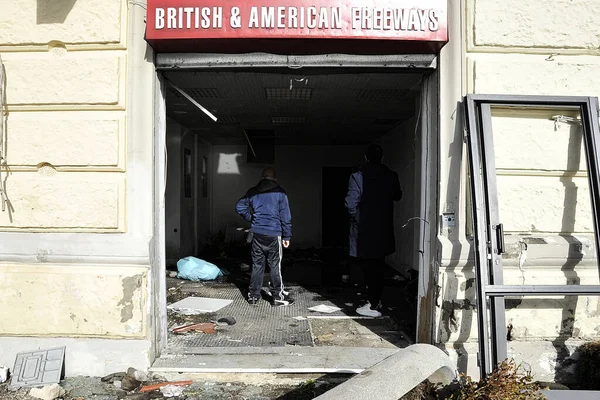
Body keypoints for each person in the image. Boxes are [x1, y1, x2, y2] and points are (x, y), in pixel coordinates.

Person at [345, 143, 402, 317]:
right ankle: (376, 300)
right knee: (379, 265)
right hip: (382, 228)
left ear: (365, 157)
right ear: (382, 157)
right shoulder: (391, 175)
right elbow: (398, 196)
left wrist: (357, 219)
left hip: (365, 229)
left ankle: (372, 304)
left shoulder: (358, 176)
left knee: (366, 267)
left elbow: (350, 203)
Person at [235, 167, 294, 306]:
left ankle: (253, 297)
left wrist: (252, 218)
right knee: (275, 266)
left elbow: (239, 207)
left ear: (262, 177)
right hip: (274, 235)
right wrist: (287, 236)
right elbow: (286, 217)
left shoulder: (252, 192)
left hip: (257, 234)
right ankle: (277, 297)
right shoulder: (280, 193)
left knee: (257, 266)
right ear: (275, 179)